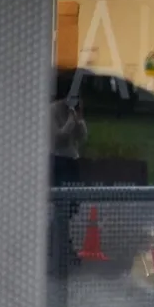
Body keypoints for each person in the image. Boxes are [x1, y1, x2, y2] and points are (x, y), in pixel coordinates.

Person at [48, 79, 88, 275]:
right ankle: (61, 246)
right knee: (61, 206)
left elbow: (82, 137)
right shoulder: (53, 110)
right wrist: (70, 122)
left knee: (72, 205)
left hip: (72, 160)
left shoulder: (76, 110)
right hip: (58, 160)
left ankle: (54, 238)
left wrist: (79, 121)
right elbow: (56, 138)